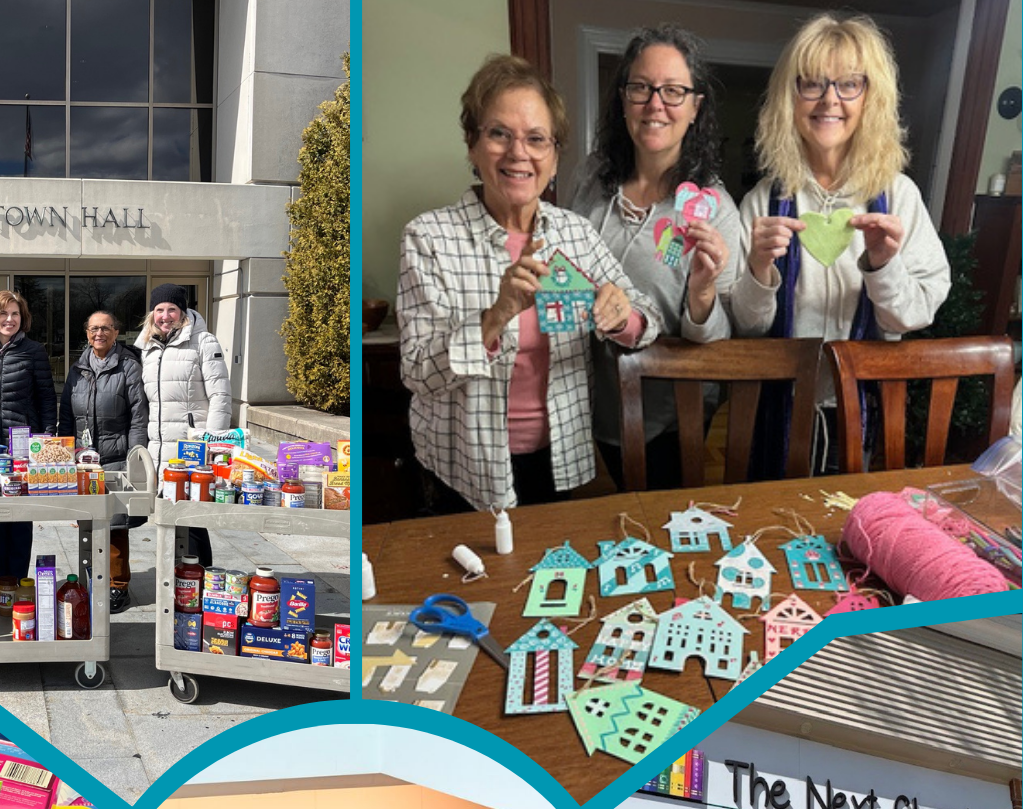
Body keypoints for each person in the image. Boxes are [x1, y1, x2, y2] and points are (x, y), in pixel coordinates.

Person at [398, 52, 659, 513]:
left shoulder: (575, 233)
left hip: (559, 460)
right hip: (463, 469)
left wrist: (623, 316)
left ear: (554, 157)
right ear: (472, 145)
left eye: (536, 139)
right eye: (499, 133)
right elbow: (418, 372)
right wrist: (496, 315)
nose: (518, 153)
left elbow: (644, 318)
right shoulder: (429, 237)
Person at [729, 13, 951, 474]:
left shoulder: (899, 196)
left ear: (871, 97)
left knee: (845, 528)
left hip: (862, 410)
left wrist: (883, 264)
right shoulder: (764, 201)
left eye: (849, 83)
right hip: (777, 409)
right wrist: (758, 272)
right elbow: (748, 328)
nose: (830, 99)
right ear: (789, 98)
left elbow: (912, 316)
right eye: (811, 83)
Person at [572, 25, 740, 489]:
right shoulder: (591, 183)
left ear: (695, 107)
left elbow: (722, 346)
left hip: (671, 417)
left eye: (672, 91)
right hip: (583, 403)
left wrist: (703, 291)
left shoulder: (715, 210)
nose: (655, 104)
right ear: (623, 100)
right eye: (641, 88)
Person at [59, 309, 148, 611]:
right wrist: (66, 454)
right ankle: (92, 579)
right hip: (85, 460)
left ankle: (118, 586)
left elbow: (138, 417)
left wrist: (134, 459)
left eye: (106, 328)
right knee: (88, 521)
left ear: (116, 332)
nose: (100, 334)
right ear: (86, 333)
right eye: (94, 328)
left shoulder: (128, 367)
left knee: (115, 526)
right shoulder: (77, 369)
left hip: (116, 456)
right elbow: (66, 416)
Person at [137, 284, 230, 566]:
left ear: (184, 312)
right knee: (170, 515)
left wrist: (210, 444)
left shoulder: (203, 342)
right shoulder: (148, 347)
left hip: (192, 446)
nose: (165, 316)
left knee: (193, 516)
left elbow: (220, 396)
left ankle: (201, 577)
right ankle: (177, 581)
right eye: (159, 310)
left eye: (172, 309)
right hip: (161, 445)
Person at [0, 290, 58, 588]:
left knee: (21, 518)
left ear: (23, 319)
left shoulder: (33, 350)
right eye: (3, 313)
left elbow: (47, 397)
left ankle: (20, 584)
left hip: (23, 448)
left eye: (15, 314)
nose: (9, 319)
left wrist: (47, 438)